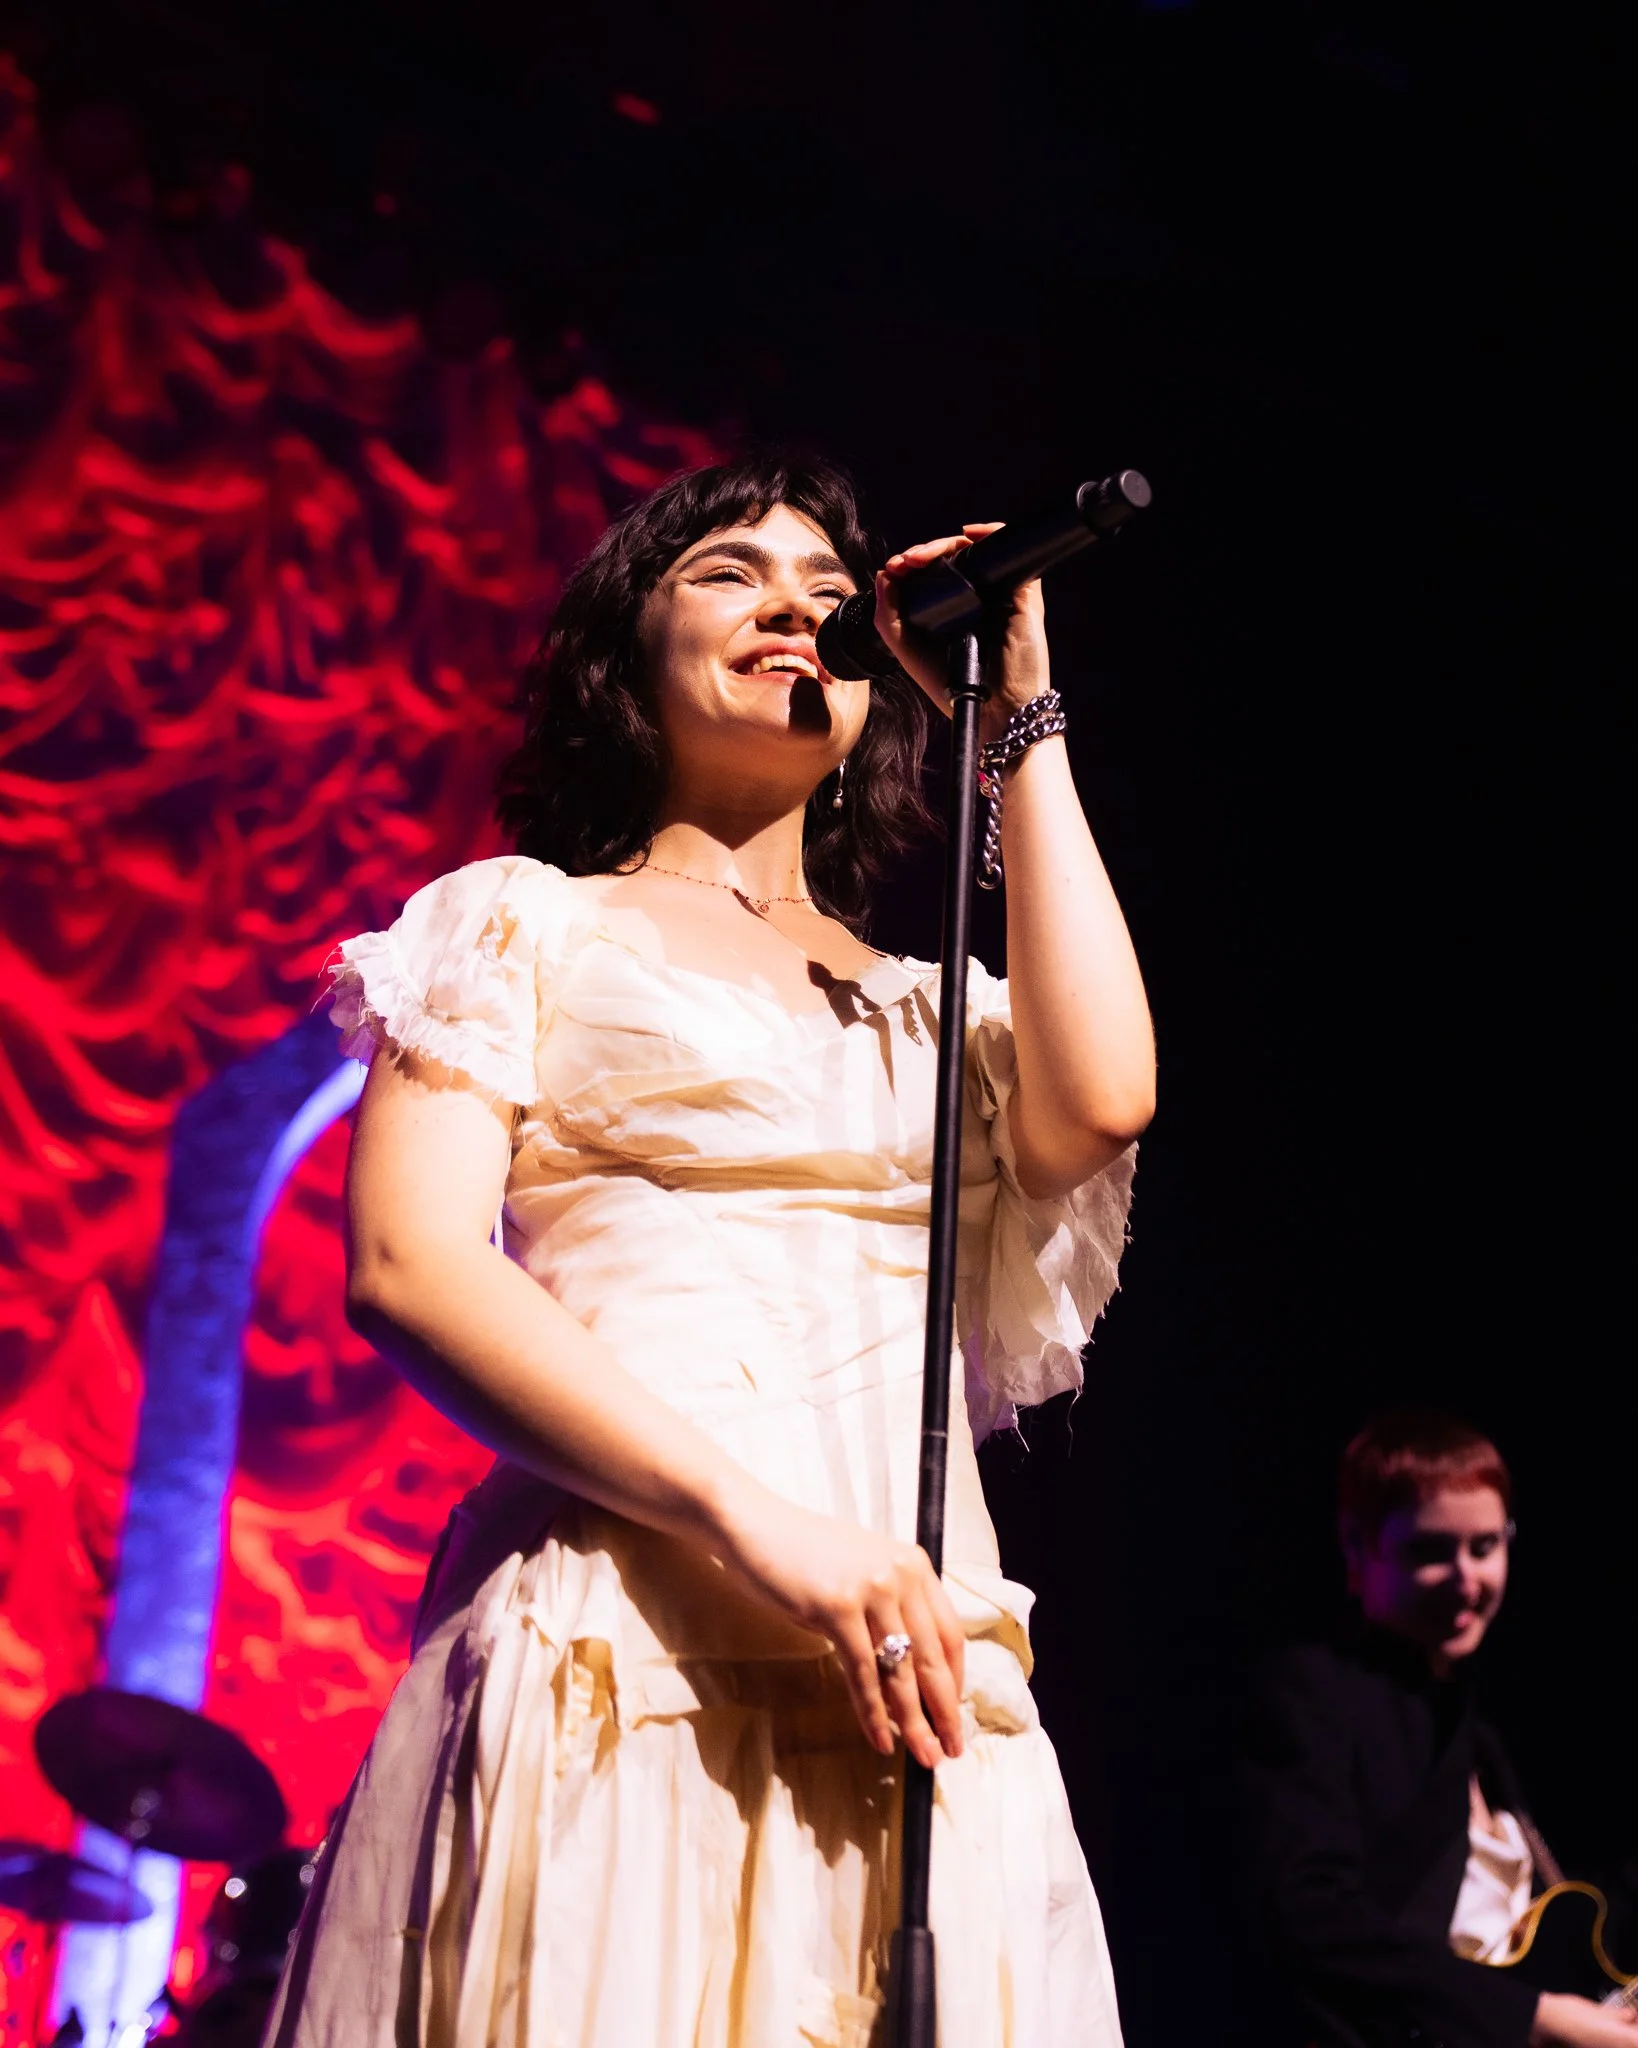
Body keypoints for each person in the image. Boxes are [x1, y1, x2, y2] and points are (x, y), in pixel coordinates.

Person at [263, 451, 1156, 2048]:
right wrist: (764, 1526)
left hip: (913, 1672)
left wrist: (1014, 716)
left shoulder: (925, 1005)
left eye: (829, 596)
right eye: (733, 574)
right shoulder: (517, 920)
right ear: (628, 655)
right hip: (633, 1629)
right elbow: (408, 1264)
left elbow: (1102, 1103)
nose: (795, 611)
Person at [1239, 1409, 1636, 2048]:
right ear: (1356, 1545)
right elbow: (1311, 1919)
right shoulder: (1313, 1692)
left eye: (1485, 1547)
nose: (1467, 1579)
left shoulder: (1476, 1726)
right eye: (1430, 1551)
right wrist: (1537, 2017)